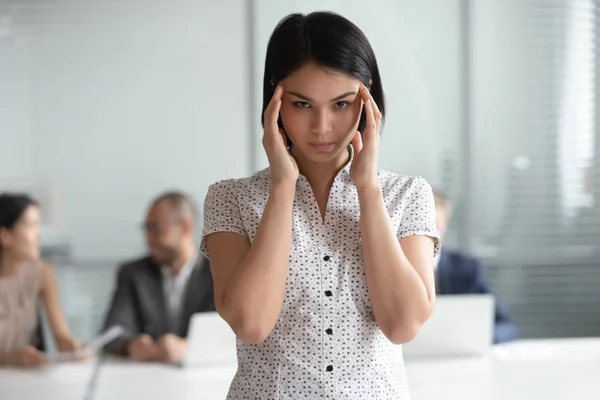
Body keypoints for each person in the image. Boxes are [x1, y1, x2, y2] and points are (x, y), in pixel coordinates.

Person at [202, 12, 440, 399]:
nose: (323, 127)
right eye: (302, 104)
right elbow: (251, 324)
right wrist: (282, 185)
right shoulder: (230, 198)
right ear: (275, 102)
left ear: (368, 100)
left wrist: (368, 190)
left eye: (342, 104)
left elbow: (402, 324)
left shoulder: (408, 195)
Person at [102, 191, 215, 364]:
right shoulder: (134, 273)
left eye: (156, 229)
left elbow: (232, 335)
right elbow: (112, 334)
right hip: (147, 380)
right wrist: (131, 345)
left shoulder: (216, 272)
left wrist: (190, 348)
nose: (148, 239)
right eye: (146, 229)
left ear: (185, 227)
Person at [0, 193, 83, 367]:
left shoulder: (43, 272)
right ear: (5, 236)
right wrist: (11, 358)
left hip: (27, 379)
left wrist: (74, 347)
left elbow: (61, 336)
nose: (39, 235)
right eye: (31, 225)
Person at [433, 189, 518, 343]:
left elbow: (506, 325)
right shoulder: (391, 269)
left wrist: (478, 339)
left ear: (445, 225)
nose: (429, 234)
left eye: (436, 225)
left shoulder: (466, 268)